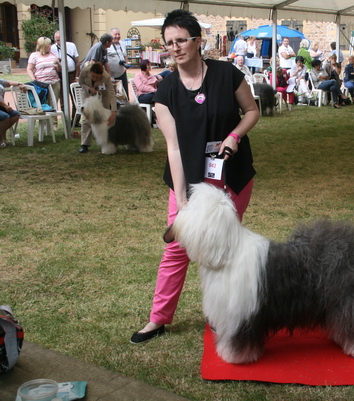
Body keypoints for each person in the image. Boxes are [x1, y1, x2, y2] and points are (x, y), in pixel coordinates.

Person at [130, 9, 260, 343]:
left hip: (231, 175)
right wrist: (182, 202)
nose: (174, 47)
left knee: (223, 247)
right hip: (187, 179)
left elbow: (252, 111)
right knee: (176, 249)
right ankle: (158, 318)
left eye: (181, 40)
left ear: (198, 41)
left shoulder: (227, 74)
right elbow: (173, 149)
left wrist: (234, 136)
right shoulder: (165, 92)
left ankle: (221, 313)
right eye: (169, 42)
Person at [77, 62, 117, 153]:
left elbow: (112, 94)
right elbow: (81, 83)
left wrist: (114, 111)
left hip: (103, 95)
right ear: (90, 72)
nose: (95, 79)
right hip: (87, 93)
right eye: (93, 76)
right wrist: (89, 88)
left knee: (104, 118)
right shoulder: (84, 71)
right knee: (86, 118)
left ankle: (106, 142)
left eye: (97, 77)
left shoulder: (106, 77)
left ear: (101, 74)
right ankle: (84, 144)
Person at [27, 36, 61, 111]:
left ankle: (53, 119)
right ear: (43, 45)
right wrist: (34, 81)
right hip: (41, 84)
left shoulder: (53, 54)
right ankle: (44, 119)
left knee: (53, 104)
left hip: (54, 83)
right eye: (49, 44)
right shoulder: (34, 55)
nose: (50, 46)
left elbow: (59, 70)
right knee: (43, 104)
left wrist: (58, 64)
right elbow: (29, 69)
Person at [51, 30, 80, 118]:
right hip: (60, 75)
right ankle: (65, 119)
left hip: (72, 74)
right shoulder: (53, 48)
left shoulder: (71, 45)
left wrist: (76, 76)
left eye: (59, 40)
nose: (58, 42)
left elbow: (77, 62)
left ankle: (75, 120)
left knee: (75, 98)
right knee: (63, 99)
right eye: (56, 40)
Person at [107, 28, 129, 99]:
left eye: (118, 34)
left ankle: (126, 104)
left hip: (122, 72)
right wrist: (109, 75)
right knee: (114, 94)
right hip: (112, 74)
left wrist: (126, 65)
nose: (117, 36)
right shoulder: (108, 45)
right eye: (115, 34)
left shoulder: (122, 44)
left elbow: (125, 56)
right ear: (111, 35)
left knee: (125, 93)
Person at [0, 79, 22, 148]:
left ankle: (1, 134)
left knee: (15, 114)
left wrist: (20, 83)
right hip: (2, 106)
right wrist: (5, 106)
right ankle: (3, 139)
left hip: (1, 106)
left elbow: (8, 83)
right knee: (5, 116)